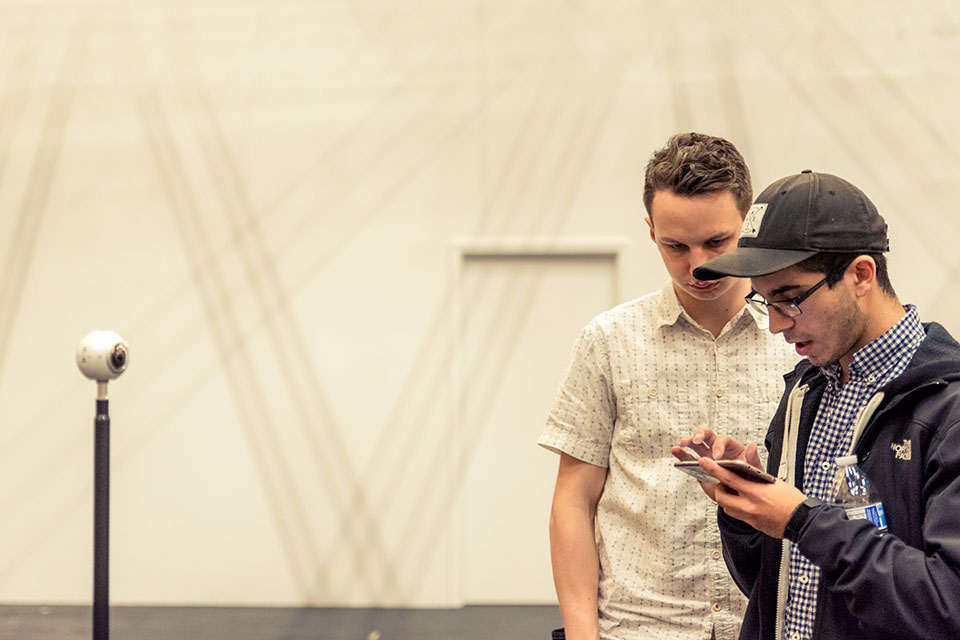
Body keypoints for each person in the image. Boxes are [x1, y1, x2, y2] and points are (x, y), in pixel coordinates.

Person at [673, 170, 960, 640]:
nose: (775, 326)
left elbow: (947, 605)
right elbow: (778, 587)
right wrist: (749, 511)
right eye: (764, 302)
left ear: (861, 275)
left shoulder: (946, 409)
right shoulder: (807, 391)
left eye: (789, 300)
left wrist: (803, 521)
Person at [538, 132, 798, 640]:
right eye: (676, 245)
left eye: (716, 242)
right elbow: (573, 501)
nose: (697, 263)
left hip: (766, 620)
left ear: (747, 226)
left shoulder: (798, 340)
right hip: (640, 625)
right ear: (651, 231)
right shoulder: (608, 340)